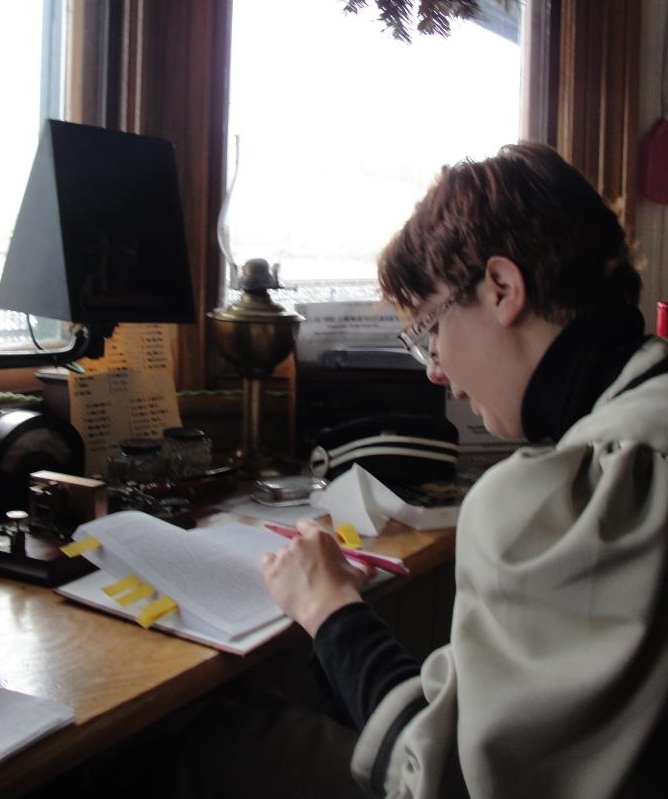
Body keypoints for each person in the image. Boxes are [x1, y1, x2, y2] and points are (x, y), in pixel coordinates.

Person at [255, 142, 668, 798]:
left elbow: (441, 781)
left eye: (430, 329)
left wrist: (329, 609)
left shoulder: (572, 493)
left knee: (218, 745)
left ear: (502, 289)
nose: (437, 370)